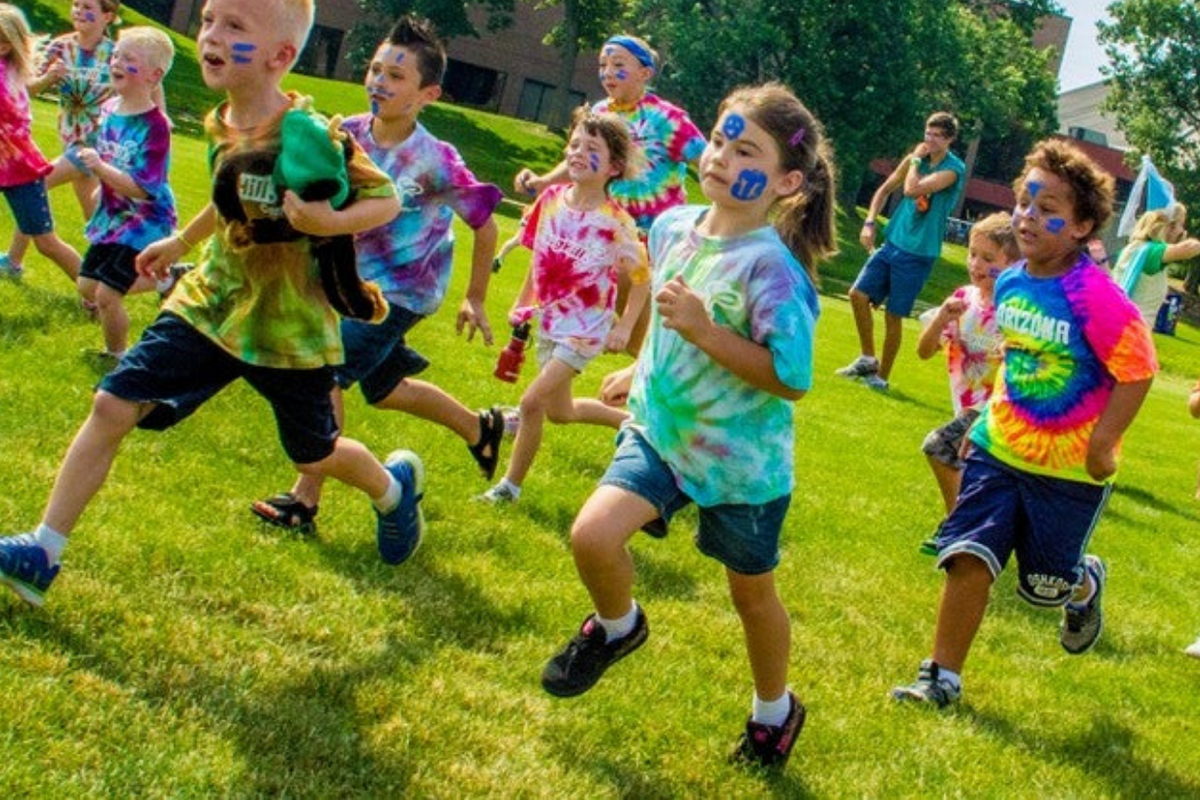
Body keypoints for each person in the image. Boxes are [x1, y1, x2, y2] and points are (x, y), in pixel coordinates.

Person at [0, 0, 427, 609]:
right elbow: (228, 199)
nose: (210, 36)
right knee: (113, 401)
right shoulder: (223, 121)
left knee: (314, 451)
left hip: (288, 325)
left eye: (234, 26)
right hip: (211, 302)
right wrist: (180, 241)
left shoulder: (307, 132)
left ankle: (391, 490)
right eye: (207, 20)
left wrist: (329, 218)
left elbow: (383, 200)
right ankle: (43, 551)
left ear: (281, 56)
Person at [539, 82, 836, 769]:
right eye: (721, 140)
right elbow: (668, 315)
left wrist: (704, 334)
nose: (723, 157)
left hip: (741, 466)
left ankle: (774, 711)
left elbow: (790, 378)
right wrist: (641, 366)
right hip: (659, 436)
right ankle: (618, 628)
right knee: (592, 535)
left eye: (746, 150)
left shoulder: (776, 272)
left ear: (787, 182)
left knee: (751, 597)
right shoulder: (673, 226)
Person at [892, 139, 1158, 708]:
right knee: (967, 556)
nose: (1030, 217)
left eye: (1048, 208)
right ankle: (941, 677)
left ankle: (1082, 582)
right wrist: (982, 421)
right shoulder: (1011, 281)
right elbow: (1017, 359)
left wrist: (1105, 441)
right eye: (1025, 202)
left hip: (1067, 470)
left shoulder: (1097, 298)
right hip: (997, 447)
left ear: (1083, 224)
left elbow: (1139, 369)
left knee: (1045, 584)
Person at [248, 15, 506, 534]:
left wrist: (475, 298)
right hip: (348, 281)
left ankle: (306, 499)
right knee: (384, 387)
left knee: (324, 373)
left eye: (396, 76)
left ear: (426, 94)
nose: (379, 83)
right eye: (376, 69)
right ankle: (480, 427)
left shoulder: (438, 161)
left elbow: (485, 227)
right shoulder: (347, 134)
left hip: (404, 290)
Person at [477, 107, 649, 504]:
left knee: (530, 402)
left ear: (614, 167)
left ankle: (509, 488)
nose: (576, 152)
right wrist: (523, 304)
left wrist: (623, 328)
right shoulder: (552, 199)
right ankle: (638, 428)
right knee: (561, 411)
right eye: (573, 144)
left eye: (591, 148)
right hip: (552, 323)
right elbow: (540, 259)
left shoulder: (615, 221)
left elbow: (641, 279)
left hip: (586, 330)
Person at [513, 34, 705, 355]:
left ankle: (644, 365)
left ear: (645, 74)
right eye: (603, 65)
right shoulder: (601, 112)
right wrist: (542, 182)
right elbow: (578, 159)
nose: (607, 73)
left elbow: (707, 160)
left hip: (657, 238)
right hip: (609, 230)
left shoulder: (667, 118)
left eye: (618, 65)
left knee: (641, 338)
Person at [836, 112, 966, 391]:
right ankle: (867, 359)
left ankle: (881, 378)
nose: (930, 140)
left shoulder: (954, 169)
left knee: (894, 314)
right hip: (892, 243)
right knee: (858, 295)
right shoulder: (913, 160)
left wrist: (916, 160)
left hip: (919, 253)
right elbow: (884, 191)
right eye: (927, 133)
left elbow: (911, 190)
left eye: (937, 136)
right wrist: (869, 222)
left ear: (950, 139)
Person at [915, 212, 1019, 552]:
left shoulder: (1013, 310)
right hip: (967, 404)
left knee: (938, 446)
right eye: (973, 253)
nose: (976, 263)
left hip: (995, 408)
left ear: (1010, 263)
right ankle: (973, 534)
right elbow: (924, 351)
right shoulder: (963, 299)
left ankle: (956, 526)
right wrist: (942, 317)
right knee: (975, 476)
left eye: (988, 258)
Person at [74, 26, 177, 365]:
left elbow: (144, 189)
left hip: (144, 223)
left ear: (154, 75)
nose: (116, 61)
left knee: (106, 295)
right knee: (87, 286)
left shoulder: (156, 126)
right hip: (114, 216)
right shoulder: (108, 109)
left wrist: (100, 169)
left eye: (128, 59)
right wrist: (99, 193)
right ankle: (169, 278)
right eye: (116, 54)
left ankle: (118, 356)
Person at [3, 0, 119, 275]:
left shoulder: (116, 54)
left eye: (88, 7)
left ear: (108, 16)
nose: (79, 10)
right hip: (71, 136)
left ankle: (13, 262)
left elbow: (147, 86)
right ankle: (114, 273)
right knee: (95, 217)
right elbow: (23, 87)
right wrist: (50, 77)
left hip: (97, 141)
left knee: (34, 188)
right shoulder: (60, 47)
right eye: (76, 5)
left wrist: (157, 116)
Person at [0, 3, 83, 283]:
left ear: (3, 47)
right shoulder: (9, 71)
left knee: (46, 243)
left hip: (19, 171)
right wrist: (48, 78)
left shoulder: (4, 77)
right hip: (9, 164)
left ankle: (96, 296)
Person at [1112, 204, 1200, 327]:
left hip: (1119, 324)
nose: (1183, 230)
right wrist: (1184, 240)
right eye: (1181, 224)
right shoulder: (1152, 252)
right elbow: (1192, 248)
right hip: (1132, 331)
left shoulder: (1134, 247)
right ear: (1169, 226)